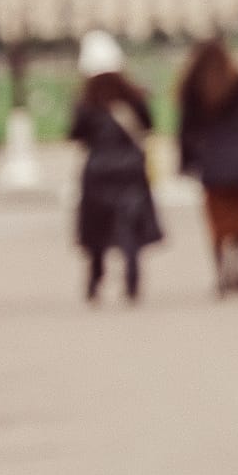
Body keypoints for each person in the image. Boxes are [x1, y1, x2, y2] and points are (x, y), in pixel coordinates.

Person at [69, 30, 163, 305]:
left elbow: (76, 135)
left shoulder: (86, 101)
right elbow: (148, 125)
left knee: (96, 227)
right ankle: (132, 278)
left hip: (98, 170)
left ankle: (95, 280)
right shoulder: (133, 97)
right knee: (129, 224)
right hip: (130, 168)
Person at [176, 37, 238, 296]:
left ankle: (221, 270)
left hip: (210, 159)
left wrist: (186, 161)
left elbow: (186, 129)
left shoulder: (193, 86)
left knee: (216, 218)